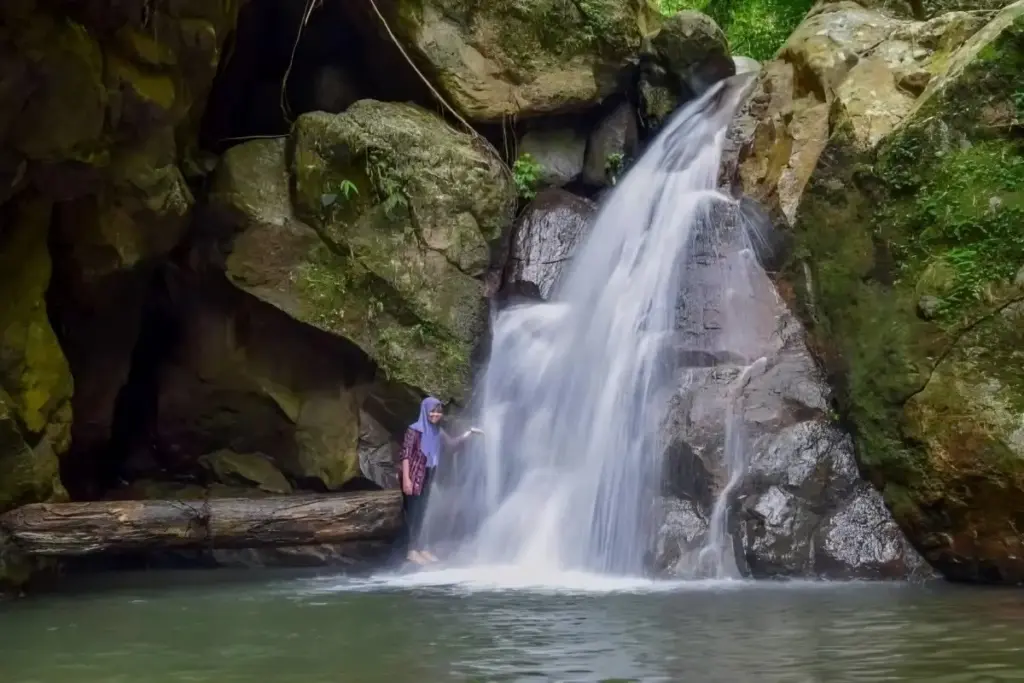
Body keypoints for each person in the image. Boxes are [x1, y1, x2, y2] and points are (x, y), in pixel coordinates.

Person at [399, 396, 482, 565]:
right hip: (414, 474)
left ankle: (421, 548)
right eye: (432, 411)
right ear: (425, 411)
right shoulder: (414, 430)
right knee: (414, 513)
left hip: (429, 473)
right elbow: (406, 455)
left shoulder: (438, 432)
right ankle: (411, 551)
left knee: (422, 512)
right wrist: (406, 479)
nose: (436, 414)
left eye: (438, 411)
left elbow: (451, 446)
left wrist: (469, 434)